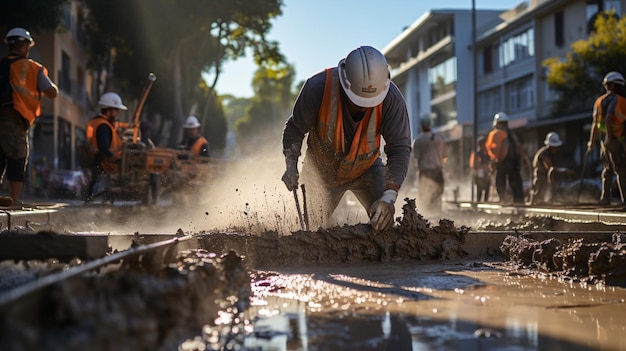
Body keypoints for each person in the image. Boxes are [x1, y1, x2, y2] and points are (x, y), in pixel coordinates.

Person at [280, 45, 411, 231]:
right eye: (357, 101)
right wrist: (291, 164)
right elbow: (295, 128)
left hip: (367, 169)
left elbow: (399, 148)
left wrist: (389, 196)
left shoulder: (392, 100)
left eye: (370, 103)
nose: (363, 108)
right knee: (311, 232)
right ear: (344, 83)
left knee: (384, 225)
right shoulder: (317, 88)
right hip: (320, 171)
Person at [0, 27, 58, 206]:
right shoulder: (32, 68)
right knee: (17, 157)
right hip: (14, 117)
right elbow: (51, 92)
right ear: (25, 46)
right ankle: (15, 201)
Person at [587, 71, 626, 205]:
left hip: (604, 143)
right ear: (616, 86)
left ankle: (605, 198)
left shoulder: (600, 101)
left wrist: (591, 143)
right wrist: (610, 138)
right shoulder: (617, 99)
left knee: (607, 171)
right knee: (621, 170)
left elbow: (595, 124)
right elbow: (609, 119)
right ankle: (625, 200)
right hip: (614, 141)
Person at [84, 92, 127, 202]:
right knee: (99, 201)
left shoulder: (97, 122)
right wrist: (119, 161)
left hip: (99, 165)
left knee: (94, 198)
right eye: (116, 110)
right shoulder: (104, 126)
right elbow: (104, 149)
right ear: (109, 110)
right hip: (105, 166)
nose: (118, 113)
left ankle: (90, 201)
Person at [485, 112, 529, 204]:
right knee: (516, 183)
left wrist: (496, 161)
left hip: (502, 162)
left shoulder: (496, 134)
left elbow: (498, 150)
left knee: (500, 182)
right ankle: (518, 202)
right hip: (513, 163)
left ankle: (503, 200)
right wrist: (525, 159)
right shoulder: (512, 136)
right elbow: (518, 149)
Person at [529, 132, 575, 205]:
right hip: (540, 177)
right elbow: (550, 170)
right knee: (538, 197)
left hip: (544, 176)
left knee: (543, 197)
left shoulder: (550, 153)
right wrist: (564, 171)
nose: (556, 148)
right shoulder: (545, 155)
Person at [412, 117, 447, 213]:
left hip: (425, 173)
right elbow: (444, 157)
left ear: (421, 127)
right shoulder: (439, 139)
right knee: (437, 197)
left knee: (425, 198)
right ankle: (437, 216)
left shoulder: (418, 140)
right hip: (437, 171)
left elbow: (416, 157)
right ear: (431, 126)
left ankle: (426, 216)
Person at [469, 135, 491, 202]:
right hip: (480, 175)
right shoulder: (476, 154)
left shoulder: (488, 153)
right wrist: (482, 167)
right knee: (479, 191)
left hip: (487, 175)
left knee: (487, 191)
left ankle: (485, 203)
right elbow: (473, 165)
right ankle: (479, 204)